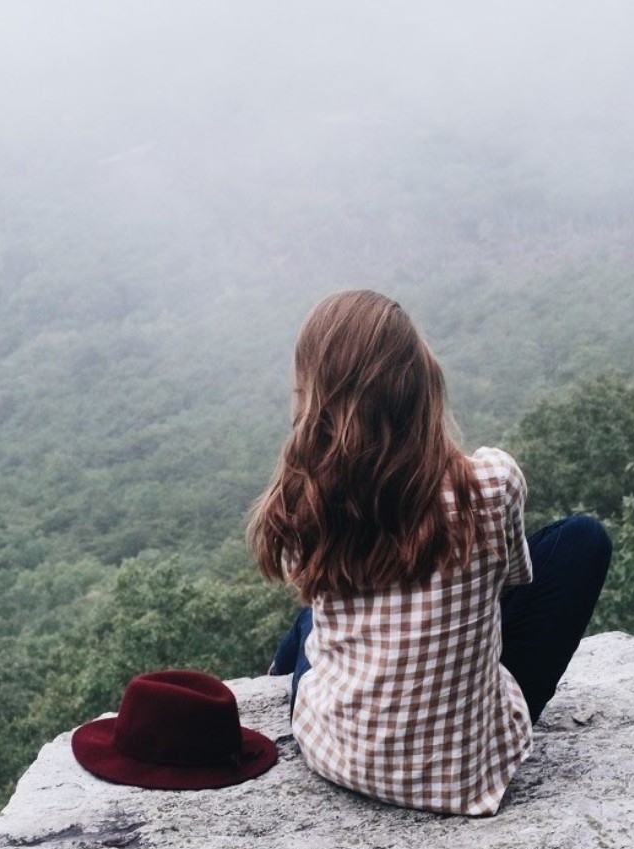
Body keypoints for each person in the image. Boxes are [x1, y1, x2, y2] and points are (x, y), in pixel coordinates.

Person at [248, 289, 611, 816]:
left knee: (311, 618)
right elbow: (510, 583)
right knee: (583, 540)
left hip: (336, 753)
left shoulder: (307, 501)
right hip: (465, 776)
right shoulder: (493, 482)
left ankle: (277, 674)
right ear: (420, 381)